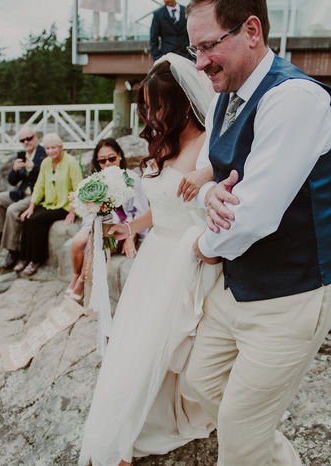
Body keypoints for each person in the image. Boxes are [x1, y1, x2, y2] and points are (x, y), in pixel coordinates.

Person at [184, 1, 331, 465]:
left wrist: (201, 245)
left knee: (239, 429)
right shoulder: (224, 95)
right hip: (238, 287)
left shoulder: (294, 99)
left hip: (292, 293)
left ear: (251, 30)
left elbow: (252, 216)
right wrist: (209, 191)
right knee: (202, 380)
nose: (199, 63)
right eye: (193, 49)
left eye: (209, 46)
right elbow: (202, 177)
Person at [78, 54, 216, 466]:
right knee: (138, 345)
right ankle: (131, 426)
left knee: (166, 344)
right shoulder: (165, 144)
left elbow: (225, 193)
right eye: (147, 107)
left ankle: (156, 420)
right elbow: (164, 206)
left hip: (188, 259)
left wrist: (207, 176)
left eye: (159, 106)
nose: (152, 115)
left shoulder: (209, 143)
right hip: (156, 256)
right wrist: (130, 225)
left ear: (184, 102)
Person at [66, 138, 149, 301]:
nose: (108, 164)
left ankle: (82, 281)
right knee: (77, 241)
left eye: (112, 158)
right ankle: (75, 276)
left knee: (94, 241)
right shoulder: (96, 180)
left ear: (120, 156)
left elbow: (141, 211)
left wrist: (130, 237)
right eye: (102, 161)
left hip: (124, 225)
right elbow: (90, 212)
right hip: (98, 222)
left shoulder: (132, 179)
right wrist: (91, 227)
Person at [14, 132, 83, 276]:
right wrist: (31, 207)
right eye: (47, 148)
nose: (50, 151)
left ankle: (36, 259)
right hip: (49, 203)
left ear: (61, 147)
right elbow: (39, 186)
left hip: (64, 206)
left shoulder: (71, 162)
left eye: (54, 148)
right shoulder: (46, 163)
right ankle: (24, 257)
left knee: (37, 220)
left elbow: (78, 188)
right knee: (27, 218)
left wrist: (72, 211)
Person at [0, 126, 47, 269]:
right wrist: (14, 169)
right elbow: (12, 181)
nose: (26, 142)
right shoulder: (21, 155)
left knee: (12, 210)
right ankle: (1, 235)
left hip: (35, 195)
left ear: (35, 137)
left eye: (28, 138)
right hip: (20, 193)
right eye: (22, 140)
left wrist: (33, 168)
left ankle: (12, 250)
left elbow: (47, 175)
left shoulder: (44, 153)